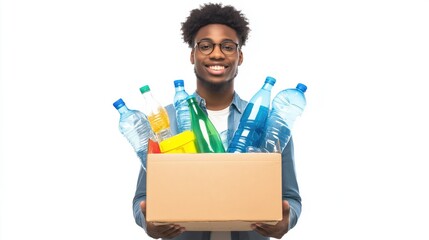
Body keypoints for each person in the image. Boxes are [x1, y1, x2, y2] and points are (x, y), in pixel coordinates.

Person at [133, 3, 301, 240]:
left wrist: (286, 221)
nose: (217, 54)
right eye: (205, 46)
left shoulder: (268, 122)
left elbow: (291, 198)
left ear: (240, 56)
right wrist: (148, 223)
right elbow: (142, 198)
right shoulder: (165, 121)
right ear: (192, 55)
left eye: (228, 46)